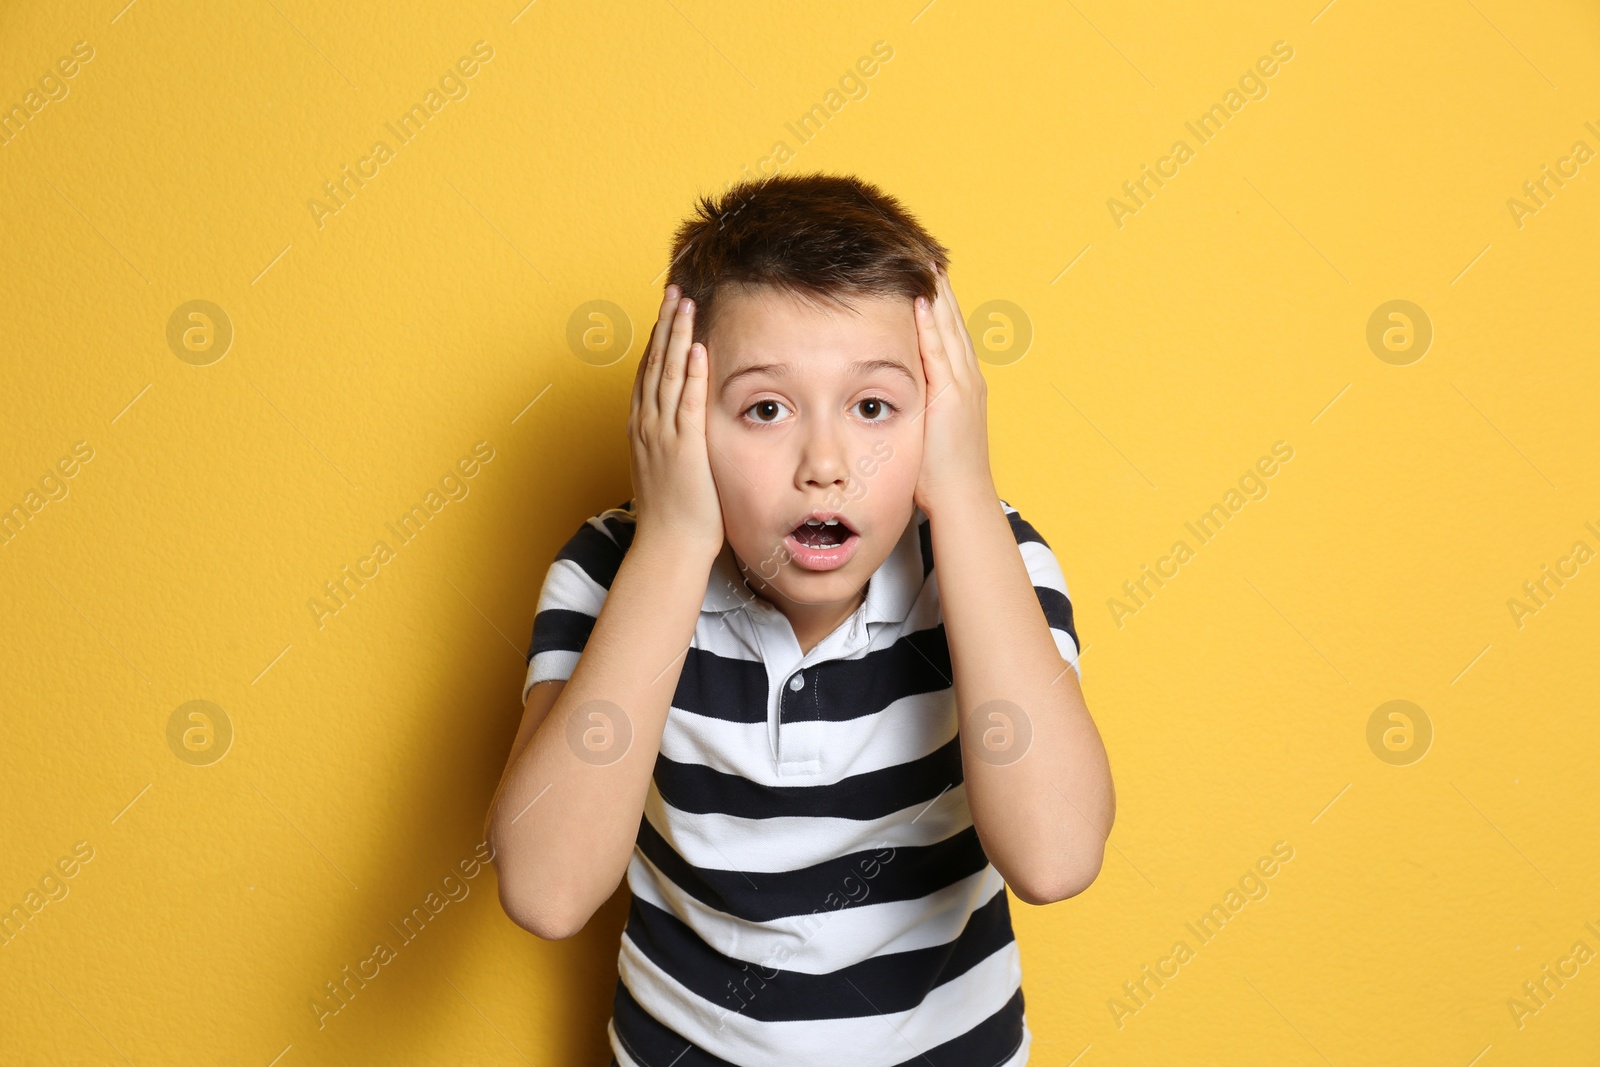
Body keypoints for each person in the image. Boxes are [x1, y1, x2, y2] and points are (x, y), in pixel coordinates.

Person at [484, 172, 1115, 1066]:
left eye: (873, 407)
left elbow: (1056, 858)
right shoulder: (612, 571)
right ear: (678, 421)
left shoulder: (988, 559)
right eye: (766, 408)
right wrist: (671, 542)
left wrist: (967, 496)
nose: (825, 463)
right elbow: (546, 890)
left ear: (943, 417)